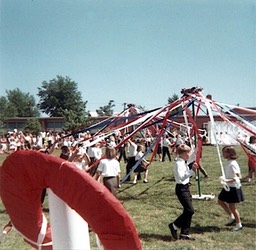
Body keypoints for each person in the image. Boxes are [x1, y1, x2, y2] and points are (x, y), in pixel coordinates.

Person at [169, 144, 197, 241]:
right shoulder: (178, 164)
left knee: (187, 211)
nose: (189, 154)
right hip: (181, 189)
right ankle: (174, 225)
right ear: (183, 154)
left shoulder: (184, 161)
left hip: (186, 187)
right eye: (188, 152)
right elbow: (181, 177)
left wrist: (200, 142)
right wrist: (192, 171)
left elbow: (194, 155)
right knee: (190, 210)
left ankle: (185, 234)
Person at [218, 146, 244, 231]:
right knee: (220, 201)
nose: (223, 154)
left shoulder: (233, 163)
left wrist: (227, 180)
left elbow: (239, 176)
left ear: (230, 153)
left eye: (224, 152)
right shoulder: (229, 162)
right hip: (228, 186)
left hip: (233, 187)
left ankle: (238, 224)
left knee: (232, 206)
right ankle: (232, 217)